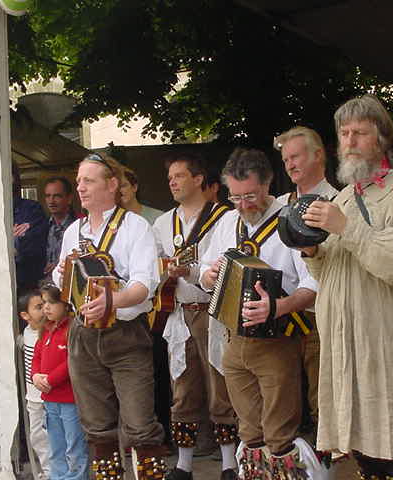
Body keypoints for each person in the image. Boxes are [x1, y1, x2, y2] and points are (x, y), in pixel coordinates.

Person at [299, 95, 393, 479]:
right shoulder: (343, 197)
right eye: (344, 134)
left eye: (360, 132)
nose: (350, 141)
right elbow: (329, 274)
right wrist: (312, 250)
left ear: (381, 139)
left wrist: (345, 226)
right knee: (365, 448)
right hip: (347, 346)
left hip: (386, 341)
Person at [200, 148, 323, 478]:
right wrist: (208, 275)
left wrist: (278, 307)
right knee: (249, 434)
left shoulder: (291, 218)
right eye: (235, 196)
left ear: (268, 183)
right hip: (232, 340)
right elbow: (203, 269)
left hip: (278, 339)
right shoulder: (228, 222)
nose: (243, 205)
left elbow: (316, 281)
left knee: (279, 435)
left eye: (250, 195)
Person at [53, 153, 167, 479]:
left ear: (112, 184)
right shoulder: (73, 230)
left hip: (126, 332)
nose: (80, 188)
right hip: (83, 334)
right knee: (97, 429)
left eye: (88, 181)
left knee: (140, 425)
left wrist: (111, 302)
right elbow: (64, 288)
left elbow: (145, 285)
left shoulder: (135, 226)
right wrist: (62, 276)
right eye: (79, 182)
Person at [152, 153, 235, 480]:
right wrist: (166, 273)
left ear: (199, 179)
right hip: (181, 313)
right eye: (170, 177)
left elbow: (227, 264)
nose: (172, 182)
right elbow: (152, 268)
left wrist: (194, 270)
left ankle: (229, 462)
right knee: (182, 387)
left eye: (179, 176)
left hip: (215, 312)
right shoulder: (162, 223)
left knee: (221, 386)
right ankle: (184, 464)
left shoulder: (226, 218)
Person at [274, 126, 339, 438]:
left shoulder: (342, 203)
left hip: (320, 319)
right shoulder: (277, 205)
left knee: (322, 403)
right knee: (285, 408)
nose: (289, 164)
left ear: (318, 155)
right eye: (285, 159)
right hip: (280, 321)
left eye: (295, 156)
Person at [32, 284, 88, 480]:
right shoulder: (45, 330)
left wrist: (50, 379)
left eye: (52, 303)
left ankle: (76, 477)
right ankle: (58, 476)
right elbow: (37, 356)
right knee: (55, 445)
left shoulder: (72, 328)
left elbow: (71, 361)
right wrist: (35, 376)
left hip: (69, 399)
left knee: (74, 444)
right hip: (50, 399)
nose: (46, 307)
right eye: (43, 303)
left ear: (66, 304)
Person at [0, 163, 49, 291]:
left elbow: (32, 249)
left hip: (24, 289)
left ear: (10, 179)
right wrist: (9, 239)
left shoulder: (32, 210)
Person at [18, 290, 51, 480]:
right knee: (37, 437)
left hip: (49, 395)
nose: (44, 309)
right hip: (33, 397)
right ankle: (48, 471)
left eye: (45, 304)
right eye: (38, 307)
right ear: (25, 315)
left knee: (55, 437)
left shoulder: (50, 331)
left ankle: (57, 472)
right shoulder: (27, 333)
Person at [43, 177, 77, 278]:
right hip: (44, 285)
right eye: (48, 196)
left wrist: (59, 267)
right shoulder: (43, 226)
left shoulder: (79, 227)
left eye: (57, 196)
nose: (51, 201)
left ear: (69, 198)